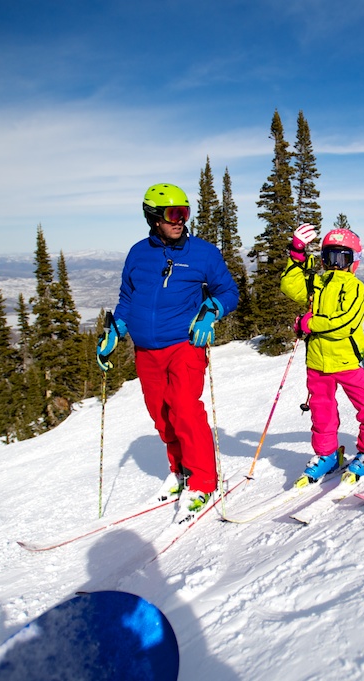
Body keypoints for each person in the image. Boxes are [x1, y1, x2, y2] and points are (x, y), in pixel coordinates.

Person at [96, 183, 239, 520]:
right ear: (154, 217)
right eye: (173, 214)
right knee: (161, 416)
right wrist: (116, 329)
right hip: (146, 350)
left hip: (184, 345)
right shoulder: (138, 254)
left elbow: (228, 292)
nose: (180, 220)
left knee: (185, 409)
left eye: (184, 213)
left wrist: (211, 311)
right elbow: (128, 299)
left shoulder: (203, 253)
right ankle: (180, 471)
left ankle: (203, 482)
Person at [281, 223, 364, 486]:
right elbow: (290, 286)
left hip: (348, 360)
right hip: (318, 362)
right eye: (330, 258)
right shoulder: (316, 283)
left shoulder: (355, 288)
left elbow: (344, 324)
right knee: (322, 412)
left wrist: (309, 323)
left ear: (353, 262)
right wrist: (296, 254)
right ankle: (327, 454)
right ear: (323, 259)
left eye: (342, 258)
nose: (336, 265)